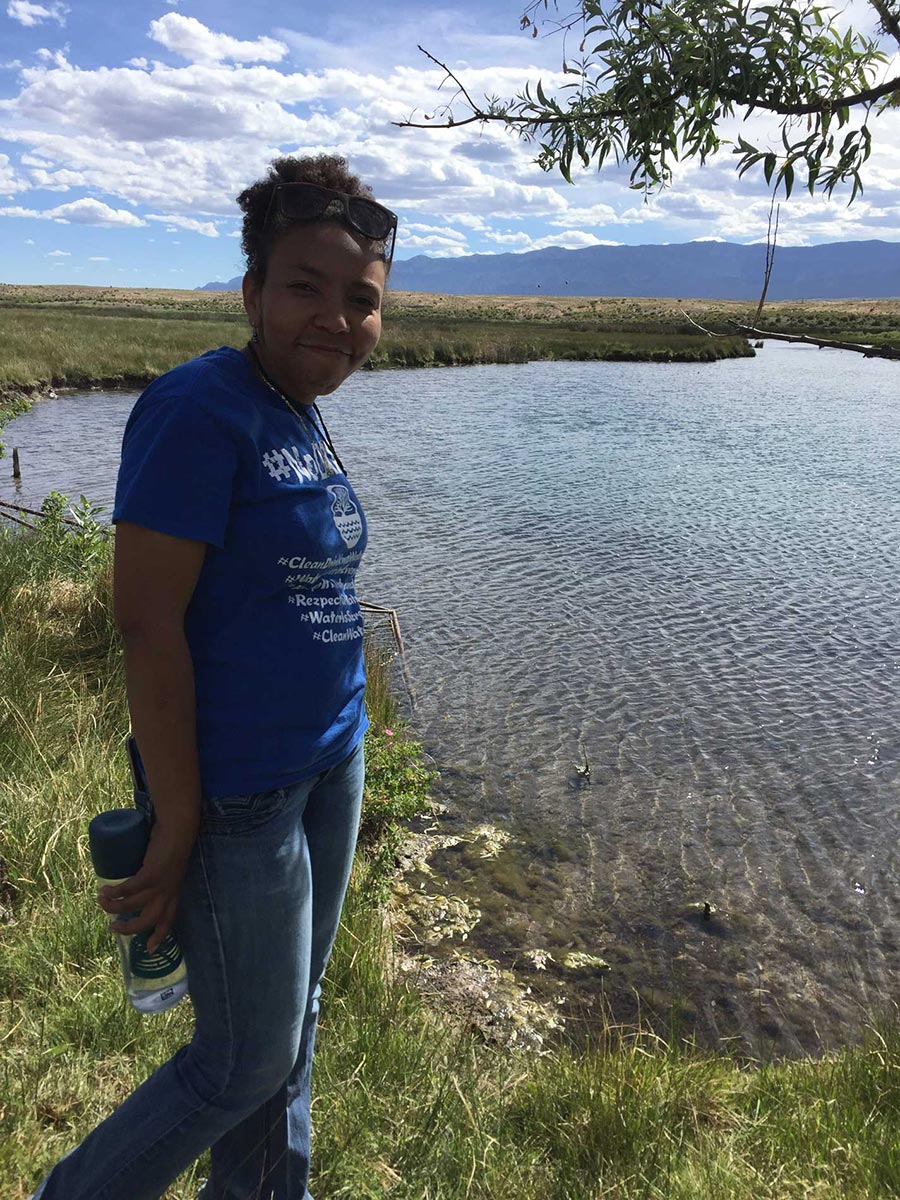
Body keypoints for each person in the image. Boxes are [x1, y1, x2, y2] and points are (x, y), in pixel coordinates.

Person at [30, 154, 398, 1200]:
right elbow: (147, 626)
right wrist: (180, 815)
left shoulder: (297, 411)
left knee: (295, 1021)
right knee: (240, 1060)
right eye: (305, 287)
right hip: (242, 795)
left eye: (360, 300)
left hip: (333, 759)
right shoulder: (200, 409)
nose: (335, 318)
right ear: (250, 291)